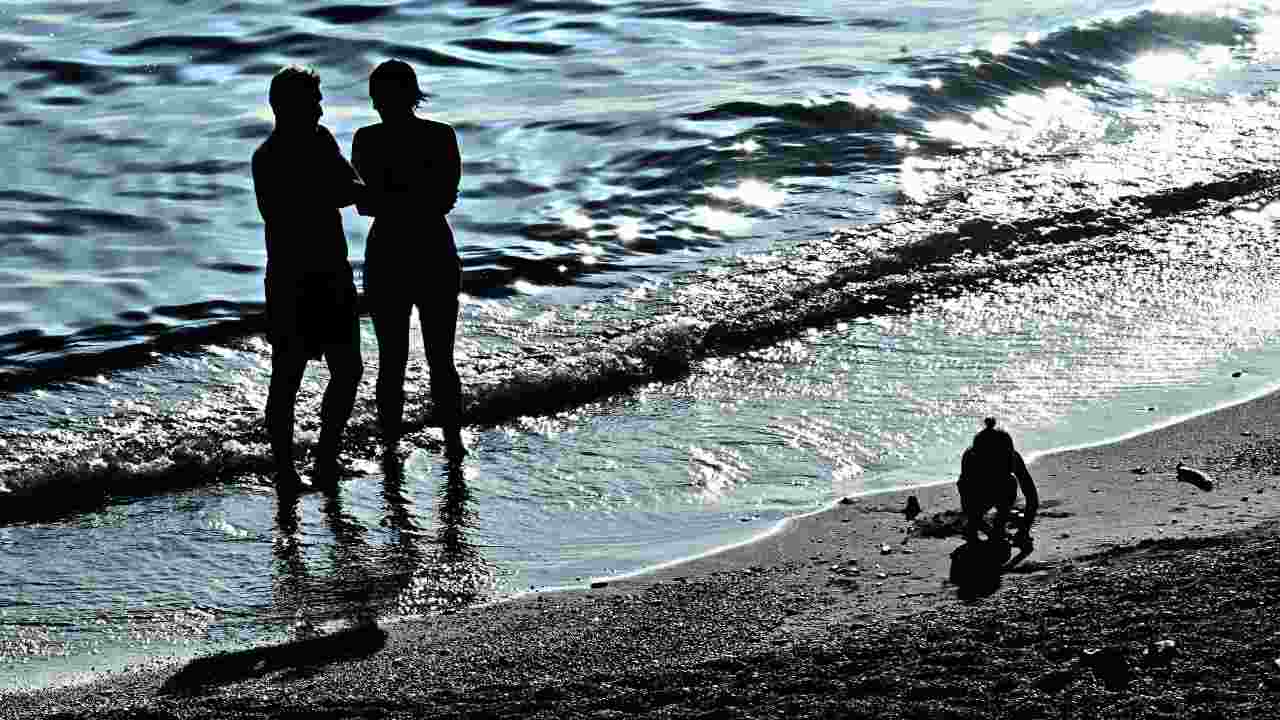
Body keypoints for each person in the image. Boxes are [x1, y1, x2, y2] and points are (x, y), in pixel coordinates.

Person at [252, 65, 366, 487]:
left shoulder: (320, 141)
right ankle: (285, 469)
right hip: (292, 278)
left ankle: (324, 458)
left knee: (347, 369)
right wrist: (331, 186)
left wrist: (334, 186)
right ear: (288, 105)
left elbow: (350, 188)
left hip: (330, 272)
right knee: (288, 376)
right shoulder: (267, 156)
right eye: (313, 100)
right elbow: (340, 192)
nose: (320, 108)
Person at [352, 59, 466, 459]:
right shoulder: (440, 136)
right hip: (432, 245)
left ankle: (393, 447)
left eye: (382, 96)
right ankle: (452, 444)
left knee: (394, 361)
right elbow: (443, 198)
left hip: (389, 251)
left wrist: (388, 198)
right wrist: (415, 197)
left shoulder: (367, 140)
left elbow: (366, 204)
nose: (381, 103)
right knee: (439, 359)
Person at [958, 417, 1039, 548]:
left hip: (1001, 489)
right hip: (977, 489)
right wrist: (984, 528)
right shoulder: (971, 459)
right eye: (989, 460)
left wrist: (1024, 530)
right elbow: (967, 499)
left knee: (1010, 483)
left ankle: (999, 524)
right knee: (974, 519)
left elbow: (1032, 497)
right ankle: (976, 528)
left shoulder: (1013, 459)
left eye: (1000, 460)